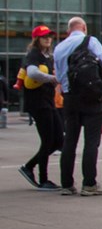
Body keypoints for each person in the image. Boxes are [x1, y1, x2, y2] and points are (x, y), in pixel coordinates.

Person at [54, 16, 102, 196]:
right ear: (84, 28)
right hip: (91, 98)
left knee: (70, 141)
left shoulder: (59, 48)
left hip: (69, 98)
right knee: (91, 142)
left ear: (68, 31)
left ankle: (66, 184)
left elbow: (58, 76)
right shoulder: (90, 41)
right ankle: (89, 184)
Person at [18, 25, 63, 190]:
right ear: (37, 39)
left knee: (59, 140)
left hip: (48, 101)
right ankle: (43, 179)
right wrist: (53, 78)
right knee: (48, 141)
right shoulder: (34, 55)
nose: (48, 39)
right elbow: (32, 73)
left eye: (50, 36)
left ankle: (29, 167)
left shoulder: (48, 56)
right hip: (38, 103)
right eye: (44, 36)